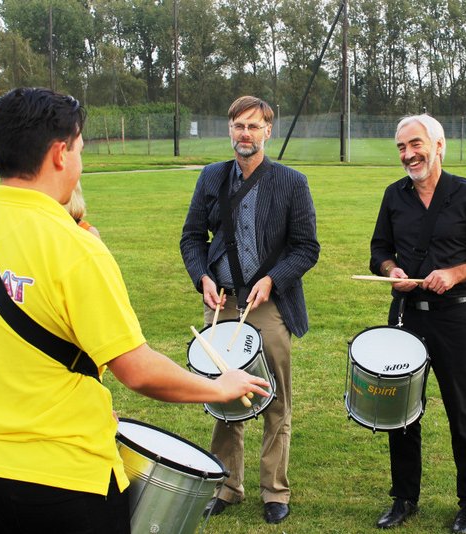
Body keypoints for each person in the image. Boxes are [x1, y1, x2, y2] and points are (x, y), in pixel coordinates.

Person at [0, 88, 270, 534]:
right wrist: (219, 387)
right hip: (67, 477)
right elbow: (136, 370)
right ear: (61, 154)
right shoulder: (76, 249)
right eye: (79, 148)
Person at [180, 95, 319, 525]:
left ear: (267, 131)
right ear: (230, 130)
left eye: (254, 126)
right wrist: (202, 276)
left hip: (268, 304)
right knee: (226, 401)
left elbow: (306, 248)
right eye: (239, 125)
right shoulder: (211, 177)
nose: (245, 134)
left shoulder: (292, 182)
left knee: (274, 399)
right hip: (221, 302)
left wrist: (273, 279)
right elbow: (191, 238)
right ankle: (227, 486)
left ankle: (275, 490)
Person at [369, 114, 466, 532]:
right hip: (406, 316)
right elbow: (379, 249)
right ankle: (404, 497)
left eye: (415, 144)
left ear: (439, 145)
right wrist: (391, 270)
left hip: (452, 319)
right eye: (401, 148)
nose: (408, 154)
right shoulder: (394, 196)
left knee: (463, 412)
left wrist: (455, 273)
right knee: (400, 412)